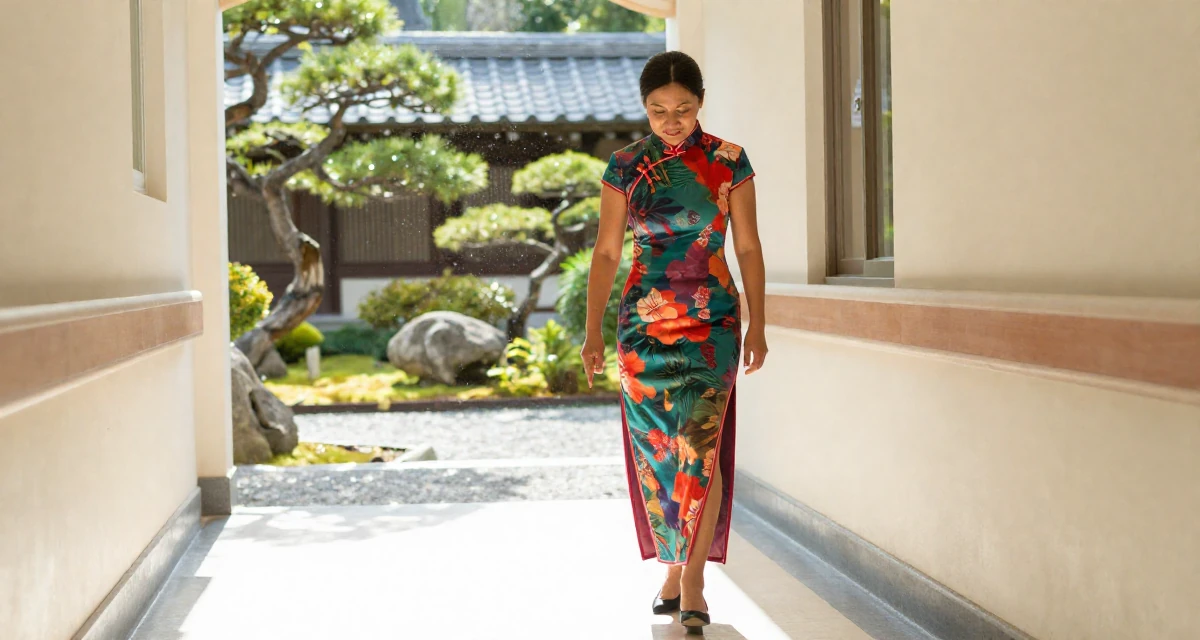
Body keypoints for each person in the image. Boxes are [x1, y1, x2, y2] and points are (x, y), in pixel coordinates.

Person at [579, 50, 768, 634]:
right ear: (644, 108)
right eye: (659, 110)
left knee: (700, 451)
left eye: (682, 108)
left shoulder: (729, 161)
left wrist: (759, 322)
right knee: (659, 453)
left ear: (700, 104)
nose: (671, 120)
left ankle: (693, 581)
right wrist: (593, 330)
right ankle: (671, 569)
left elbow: (749, 248)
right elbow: (608, 251)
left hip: (713, 325)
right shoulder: (624, 167)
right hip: (644, 326)